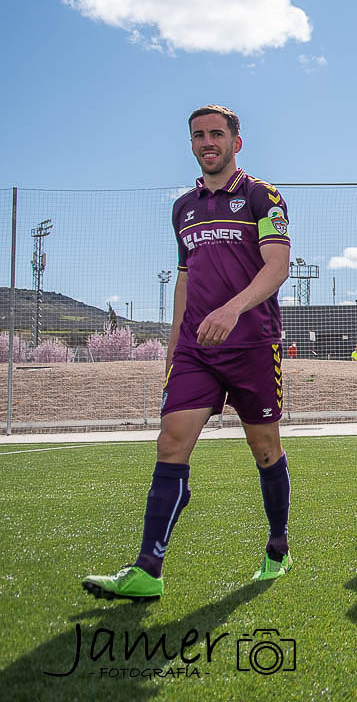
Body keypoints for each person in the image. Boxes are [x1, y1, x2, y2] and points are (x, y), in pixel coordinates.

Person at [83, 105, 294, 602]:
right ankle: (148, 569)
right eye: (198, 136)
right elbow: (184, 279)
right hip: (198, 351)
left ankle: (278, 546)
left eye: (216, 134)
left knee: (265, 448)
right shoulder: (183, 208)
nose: (207, 143)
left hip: (252, 345)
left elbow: (278, 267)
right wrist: (175, 347)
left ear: (236, 142)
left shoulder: (263, 197)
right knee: (171, 443)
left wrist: (232, 309)